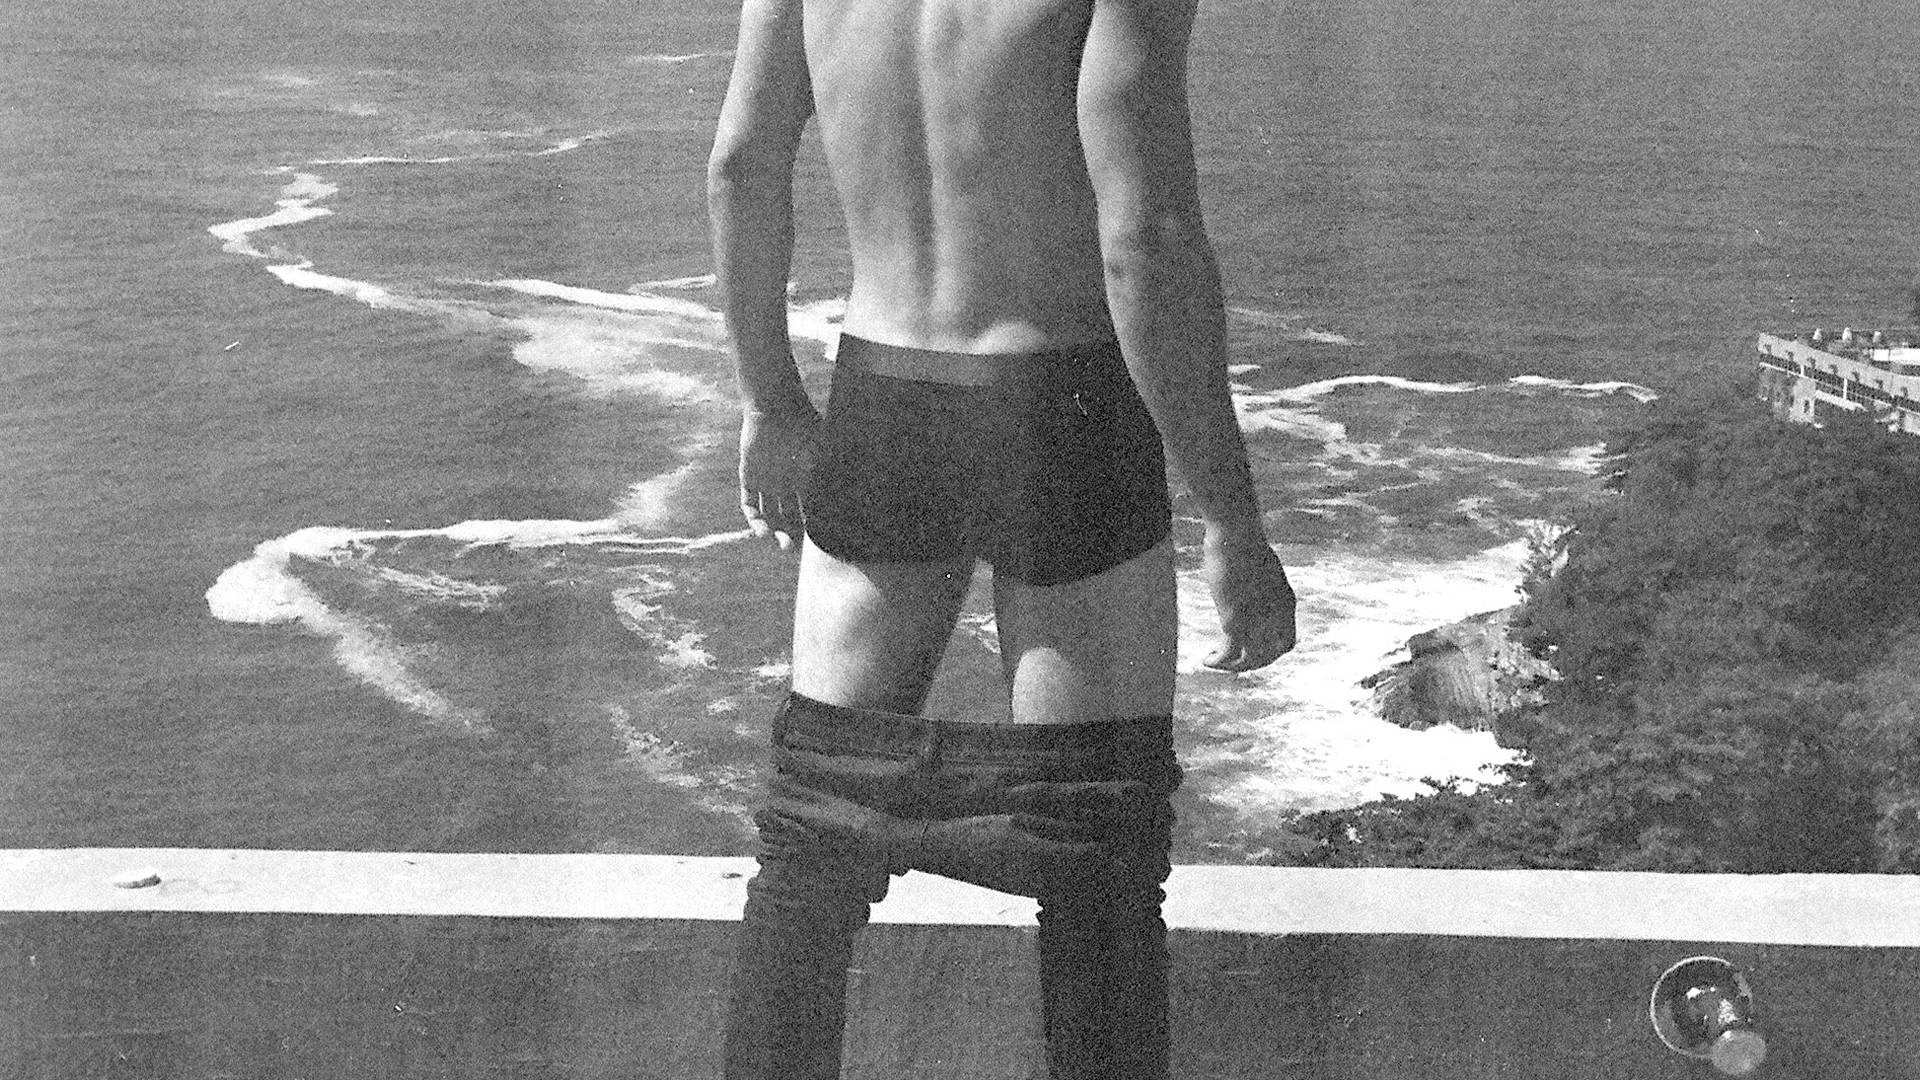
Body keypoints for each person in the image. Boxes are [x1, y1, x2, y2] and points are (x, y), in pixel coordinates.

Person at [706, 0, 1297, 1075]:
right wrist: (1231, 520)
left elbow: (743, 164)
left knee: (811, 840)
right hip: (1063, 405)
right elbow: (1145, 242)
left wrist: (769, 400)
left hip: (885, 397)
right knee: (1096, 855)